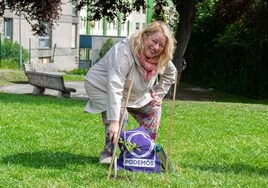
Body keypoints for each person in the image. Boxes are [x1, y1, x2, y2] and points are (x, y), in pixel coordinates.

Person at [84, 21, 177, 164]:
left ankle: (143, 151)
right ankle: (108, 153)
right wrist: (114, 121)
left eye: (161, 45)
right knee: (120, 115)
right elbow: (114, 86)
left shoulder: (160, 57)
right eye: (154, 41)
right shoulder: (123, 52)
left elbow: (172, 73)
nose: (156, 47)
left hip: (132, 92)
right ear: (144, 36)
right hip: (101, 87)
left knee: (153, 108)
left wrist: (158, 94)